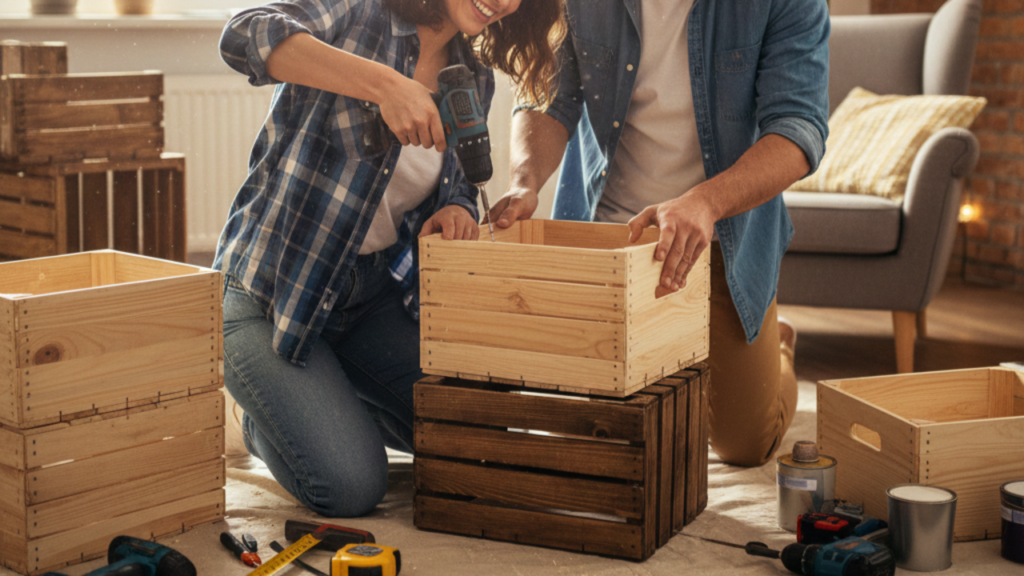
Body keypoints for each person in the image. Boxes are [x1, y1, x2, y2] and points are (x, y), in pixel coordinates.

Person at [214, 0, 564, 517]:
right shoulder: (359, 12)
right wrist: (384, 85)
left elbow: (456, 184)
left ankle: (321, 402)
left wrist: (454, 208)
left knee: (485, 441)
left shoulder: (470, 75)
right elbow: (244, 33)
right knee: (351, 487)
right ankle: (263, 415)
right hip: (269, 295)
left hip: (369, 299)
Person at [489, 0, 830, 467]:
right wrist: (525, 182)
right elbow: (548, 95)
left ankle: (780, 347)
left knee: (744, 445)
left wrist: (704, 203)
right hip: (609, 238)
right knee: (587, 433)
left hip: (722, 240)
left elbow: (798, 128)